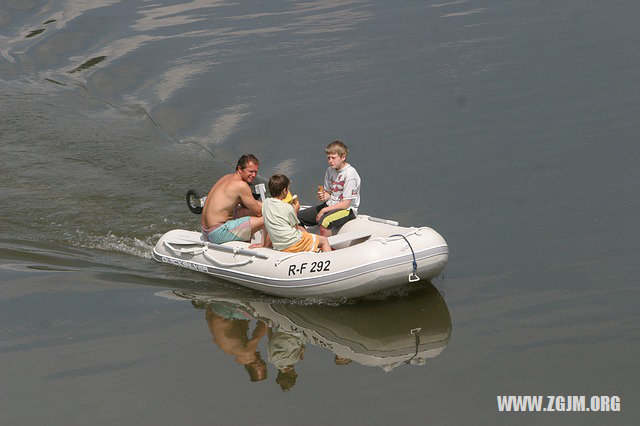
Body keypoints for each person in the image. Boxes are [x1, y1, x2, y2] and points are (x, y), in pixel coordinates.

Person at [201, 154, 268, 247]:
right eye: (251, 171)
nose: (254, 175)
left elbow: (248, 205)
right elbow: (259, 212)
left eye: (256, 172)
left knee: (251, 211)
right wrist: (275, 209)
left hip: (206, 229)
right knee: (267, 218)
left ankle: (245, 241)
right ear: (240, 169)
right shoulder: (241, 186)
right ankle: (265, 246)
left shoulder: (227, 177)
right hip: (218, 232)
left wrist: (269, 205)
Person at [298, 140, 361, 237]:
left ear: (343, 157)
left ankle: (327, 249)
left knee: (324, 222)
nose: (330, 161)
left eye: (333, 158)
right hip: (330, 204)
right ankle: (309, 242)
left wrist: (324, 210)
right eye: (328, 158)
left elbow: (346, 204)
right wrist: (323, 196)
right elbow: (328, 193)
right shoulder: (329, 171)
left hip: (348, 210)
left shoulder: (350, 174)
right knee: (297, 217)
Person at [263, 174, 331, 253]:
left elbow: (266, 224)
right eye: (288, 189)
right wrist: (295, 210)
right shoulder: (288, 208)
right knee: (324, 240)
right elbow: (295, 226)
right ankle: (331, 261)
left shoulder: (265, 203)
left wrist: (264, 244)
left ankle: (312, 248)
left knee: (306, 235)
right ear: (285, 190)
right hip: (294, 243)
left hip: (281, 245)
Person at [205, 306, 268, 382]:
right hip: (212, 309)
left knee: (258, 313)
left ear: (259, 365)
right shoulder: (232, 352)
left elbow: (262, 328)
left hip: (222, 311)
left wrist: (270, 319)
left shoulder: (247, 354)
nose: (263, 363)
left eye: (262, 365)